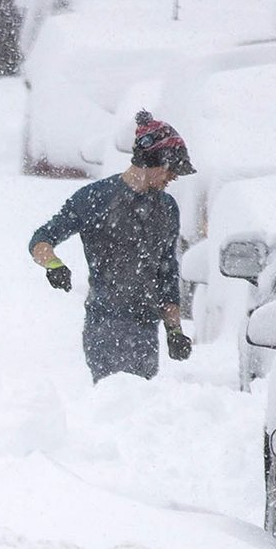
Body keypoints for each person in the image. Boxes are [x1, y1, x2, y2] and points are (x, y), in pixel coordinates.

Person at [27, 111, 195, 381]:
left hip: (145, 329)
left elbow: (167, 272)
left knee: (139, 408)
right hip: (104, 326)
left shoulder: (167, 208)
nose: (170, 180)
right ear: (156, 163)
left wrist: (174, 330)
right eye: (170, 172)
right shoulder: (95, 199)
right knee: (112, 403)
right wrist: (53, 265)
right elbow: (42, 239)